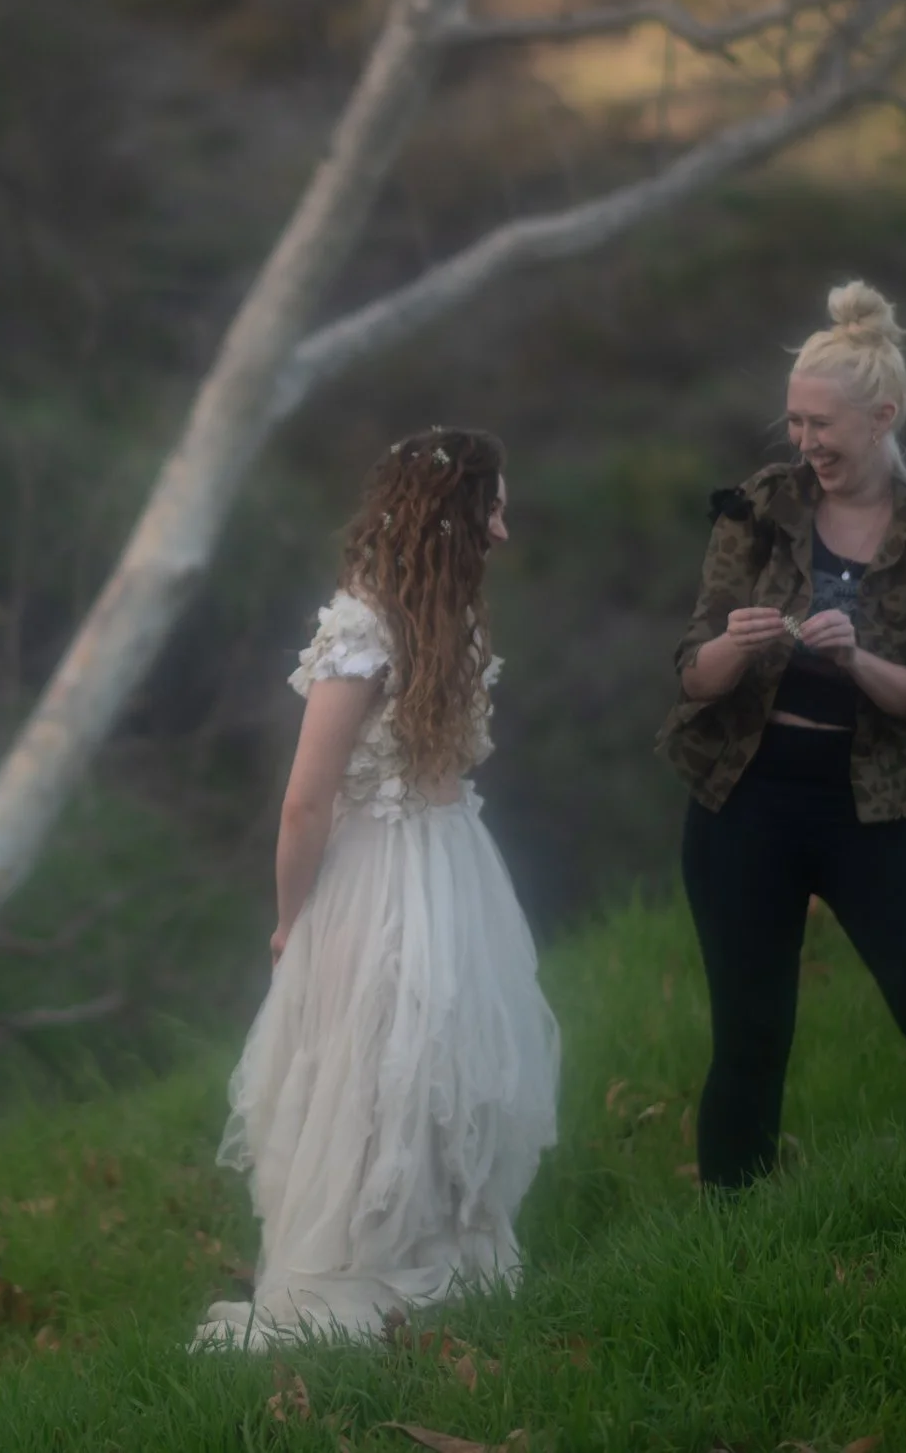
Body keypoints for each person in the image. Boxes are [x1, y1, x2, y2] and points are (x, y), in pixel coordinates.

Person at [195, 428, 560, 1350]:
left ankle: (402, 1267)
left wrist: (290, 922)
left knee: (384, 1070)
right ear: (453, 517)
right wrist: (294, 924)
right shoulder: (402, 628)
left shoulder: (401, 623)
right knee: (402, 1066)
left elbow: (303, 805)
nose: (506, 530)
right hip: (435, 870)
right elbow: (305, 799)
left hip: (402, 869)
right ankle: (404, 1265)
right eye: (494, 509)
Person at [658, 281, 906, 1193]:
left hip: (873, 806)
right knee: (751, 1032)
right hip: (746, 801)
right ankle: (734, 1238)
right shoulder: (759, 506)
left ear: (882, 415)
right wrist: (735, 646)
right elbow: (691, 670)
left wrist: (856, 662)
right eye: (795, 425)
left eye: (823, 425)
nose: (806, 445)